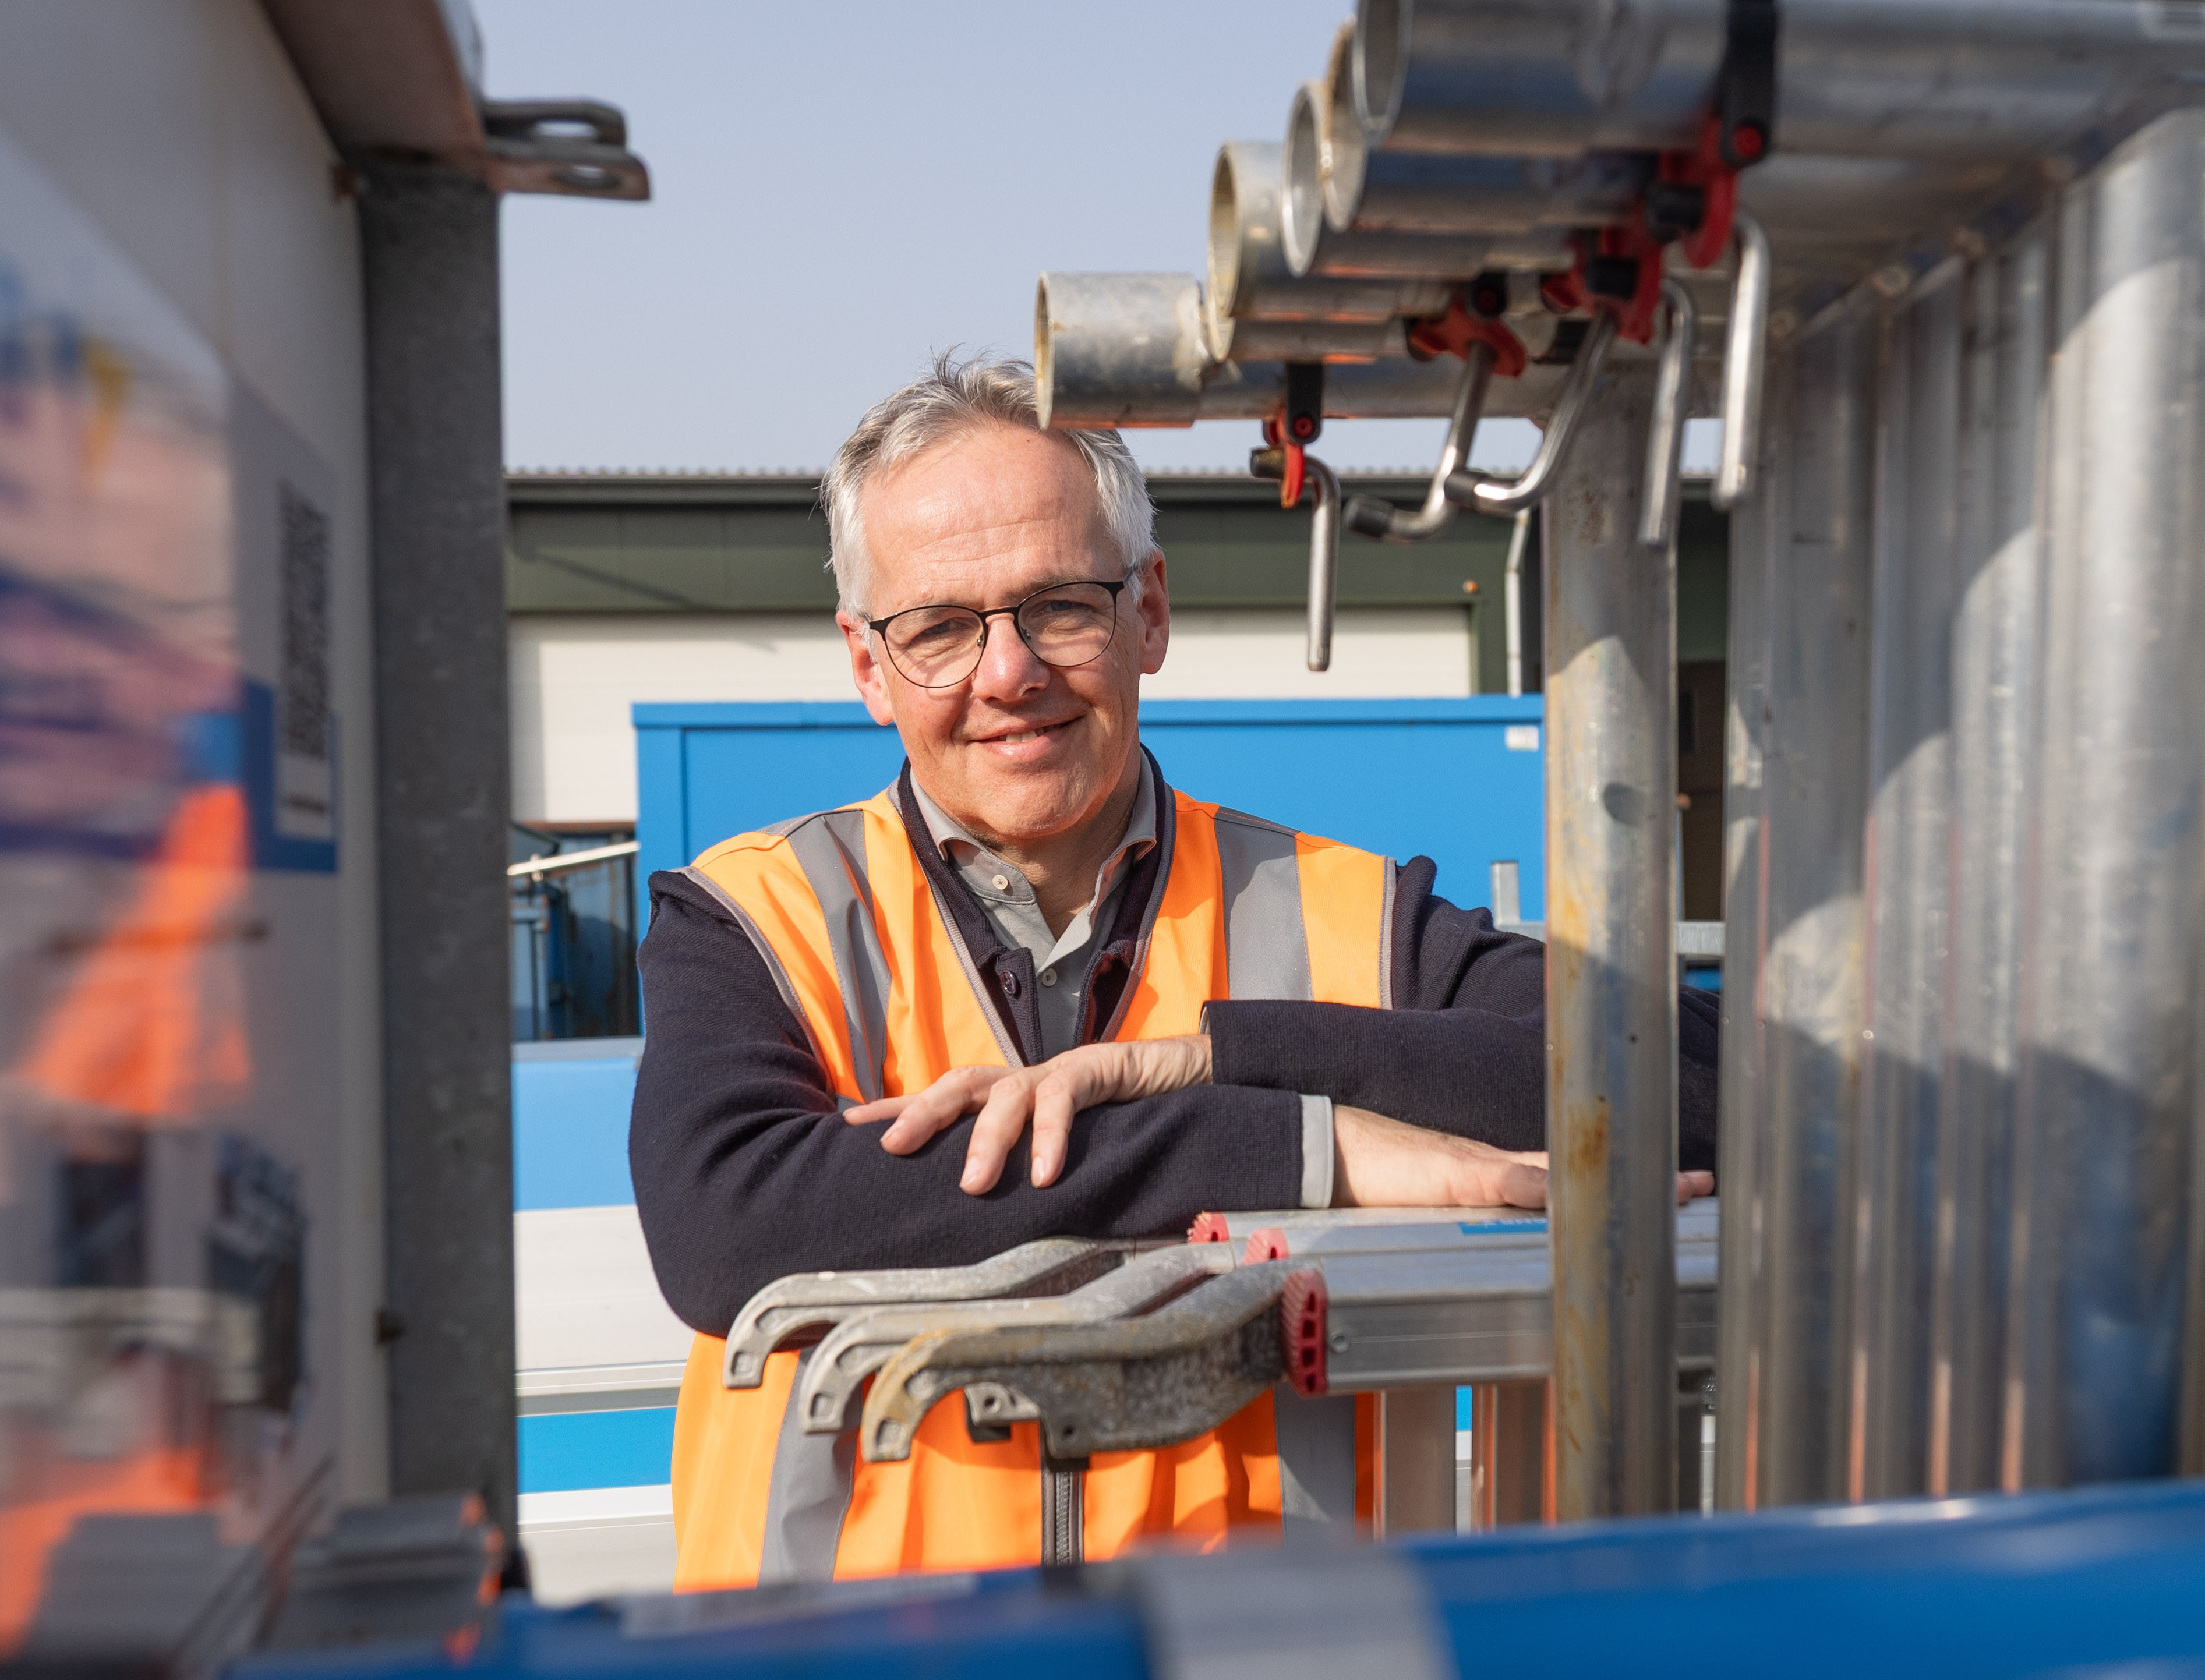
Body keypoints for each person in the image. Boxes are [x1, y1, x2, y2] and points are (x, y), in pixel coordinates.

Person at [631, 353, 1715, 1587]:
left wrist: (1225, 1058)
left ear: (1149, 609)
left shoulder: (1347, 911)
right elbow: (726, 1230)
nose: (1008, 674)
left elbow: (1691, 1084)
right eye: (938, 628)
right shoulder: (754, 915)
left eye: (1059, 606)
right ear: (868, 666)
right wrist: (1307, 1152)